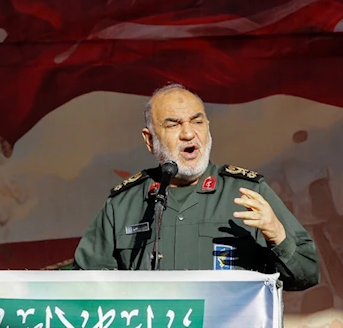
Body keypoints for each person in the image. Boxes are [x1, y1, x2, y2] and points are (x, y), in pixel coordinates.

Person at [72, 84, 320, 291]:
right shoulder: (124, 203)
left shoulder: (249, 192)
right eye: (173, 125)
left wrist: (278, 236)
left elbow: (307, 274)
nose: (188, 134)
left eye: (197, 122)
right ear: (149, 140)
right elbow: (82, 286)